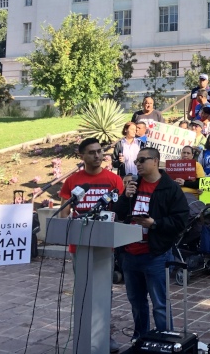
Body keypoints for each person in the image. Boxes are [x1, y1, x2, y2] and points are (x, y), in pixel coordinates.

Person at [115, 147, 189, 341]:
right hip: (130, 254)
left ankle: (165, 341)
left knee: (160, 304)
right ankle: (141, 338)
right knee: (136, 302)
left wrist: (154, 224)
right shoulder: (133, 185)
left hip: (155, 255)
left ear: (155, 161)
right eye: (136, 161)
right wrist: (125, 196)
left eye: (142, 160)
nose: (137, 164)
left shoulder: (170, 188)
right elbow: (119, 213)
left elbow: (181, 221)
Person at [59, 137, 125, 352]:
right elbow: (64, 212)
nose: (97, 156)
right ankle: (83, 334)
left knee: (104, 292)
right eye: (91, 152)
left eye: (99, 151)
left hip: (106, 245)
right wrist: (65, 220)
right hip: (80, 246)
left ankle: (105, 335)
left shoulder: (114, 179)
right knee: (85, 291)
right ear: (82, 156)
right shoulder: (72, 181)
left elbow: (122, 210)